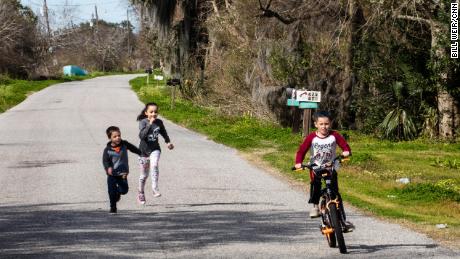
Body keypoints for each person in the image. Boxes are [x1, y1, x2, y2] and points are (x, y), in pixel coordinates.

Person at [294, 111, 353, 229]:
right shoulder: (312, 137)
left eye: (326, 124)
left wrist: (346, 151)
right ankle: (315, 206)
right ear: (316, 124)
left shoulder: (334, 135)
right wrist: (298, 163)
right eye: (321, 124)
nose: (324, 126)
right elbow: (301, 151)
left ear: (330, 124)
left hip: (331, 166)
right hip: (316, 166)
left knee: (335, 192)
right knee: (315, 185)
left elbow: (345, 146)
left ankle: (342, 220)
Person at [136, 102, 174, 204]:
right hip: (143, 152)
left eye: (156, 112)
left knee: (154, 165)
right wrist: (150, 124)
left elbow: (164, 132)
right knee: (144, 175)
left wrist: (168, 142)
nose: (154, 114)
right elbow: (142, 136)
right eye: (151, 112)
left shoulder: (159, 122)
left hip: (155, 149)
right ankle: (141, 193)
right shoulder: (143, 122)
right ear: (146, 113)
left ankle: (155, 188)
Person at [102, 126, 141, 213]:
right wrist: (108, 168)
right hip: (112, 174)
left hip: (123, 173)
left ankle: (118, 193)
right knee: (111, 192)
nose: (118, 138)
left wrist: (141, 153)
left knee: (124, 190)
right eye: (115, 136)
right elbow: (105, 161)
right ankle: (113, 208)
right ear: (110, 138)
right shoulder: (107, 150)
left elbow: (133, 149)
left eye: (119, 135)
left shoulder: (124, 144)